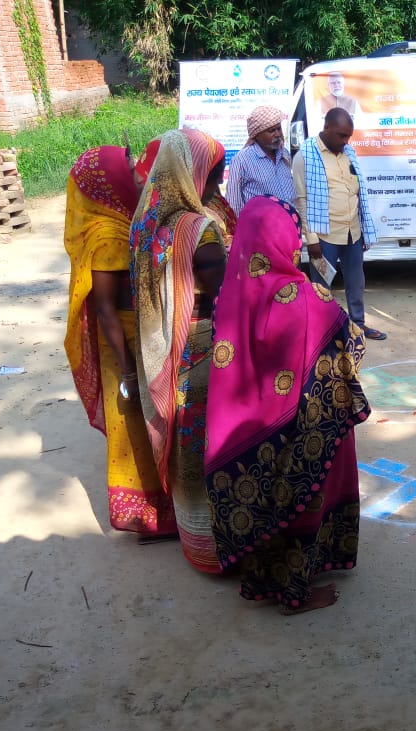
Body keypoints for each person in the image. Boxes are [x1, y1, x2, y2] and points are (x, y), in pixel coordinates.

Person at [206, 196, 370, 614]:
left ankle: (261, 574)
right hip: (298, 426)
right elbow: (350, 345)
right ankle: (295, 591)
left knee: (262, 494)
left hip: (247, 433)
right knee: (301, 492)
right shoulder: (305, 298)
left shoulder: (229, 295)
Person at [130, 128, 231, 573]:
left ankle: (191, 536)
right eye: (215, 173)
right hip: (201, 349)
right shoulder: (199, 230)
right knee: (204, 447)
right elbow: (226, 295)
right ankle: (214, 547)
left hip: (161, 348)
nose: (220, 183)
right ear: (194, 174)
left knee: (182, 447)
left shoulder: (145, 221)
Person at [64, 144, 176, 539]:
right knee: (135, 426)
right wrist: (128, 371)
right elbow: (106, 310)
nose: (136, 172)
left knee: (146, 423)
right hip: (125, 344)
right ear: (108, 183)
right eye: (127, 168)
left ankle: (158, 508)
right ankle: (146, 516)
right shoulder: (107, 237)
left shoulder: (123, 220)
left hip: (135, 337)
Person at [293, 108, 387, 340]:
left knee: (356, 283)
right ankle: (323, 334)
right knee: (321, 288)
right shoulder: (305, 155)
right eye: (342, 135)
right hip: (324, 235)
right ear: (326, 128)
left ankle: (358, 327)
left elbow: (357, 191)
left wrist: (362, 227)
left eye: (348, 136)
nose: (346, 141)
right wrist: (311, 239)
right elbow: (301, 200)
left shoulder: (349, 153)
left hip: (352, 231)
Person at [225, 105, 296, 215]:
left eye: (279, 129)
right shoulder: (242, 160)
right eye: (272, 131)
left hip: (290, 223)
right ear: (257, 135)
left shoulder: (284, 153)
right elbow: (233, 204)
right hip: (261, 225)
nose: (278, 134)